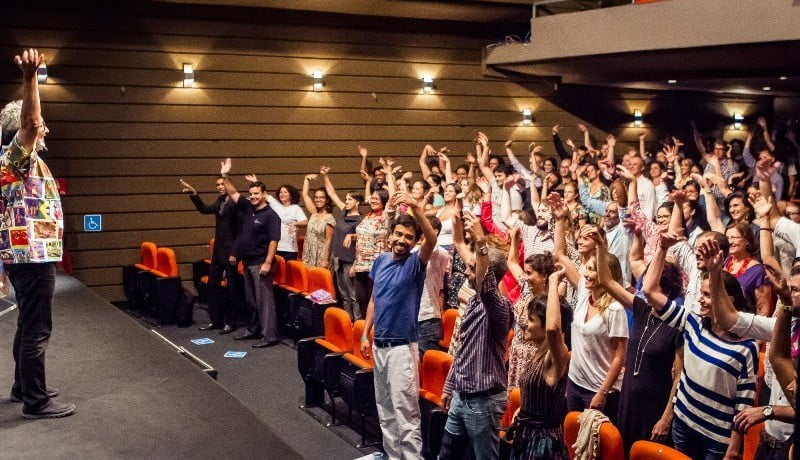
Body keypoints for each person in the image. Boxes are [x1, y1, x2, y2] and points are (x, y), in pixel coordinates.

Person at [1, 48, 74, 419]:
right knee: (37, 329)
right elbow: (30, 123)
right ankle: (36, 401)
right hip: (32, 256)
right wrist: (31, 77)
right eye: (40, 125)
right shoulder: (17, 156)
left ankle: (22, 387)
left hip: (26, 256)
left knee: (28, 324)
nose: (45, 128)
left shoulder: (19, 162)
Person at [643, 233, 757, 460]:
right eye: (701, 294)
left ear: (729, 300)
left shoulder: (746, 347)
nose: (701, 300)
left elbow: (743, 405)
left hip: (716, 439)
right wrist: (663, 248)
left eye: (707, 294)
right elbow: (649, 291)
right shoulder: (693, 322)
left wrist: (733, 451)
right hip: (683, 424)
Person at [360, 191, 437, 460]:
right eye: (399, 235)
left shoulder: (416, 263)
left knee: (406, 414)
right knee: (386, 411)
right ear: (391, 234)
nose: (402, 240)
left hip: (402, 349)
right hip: (379, 346)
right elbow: (373, 299)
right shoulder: (380, 261)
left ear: (414, 242)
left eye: (409, 237)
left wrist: (416, 208)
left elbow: (433, 239)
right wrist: (364, 333)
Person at [439, 211, 514, 460]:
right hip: (462, 394)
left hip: (484, 402)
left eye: (473, 268)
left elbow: (486, 285)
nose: (468, 272)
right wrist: (450, 386)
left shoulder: (500, 309)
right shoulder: (473, 302)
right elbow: (463, 349)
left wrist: (482, 242)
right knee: (447, 453)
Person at [507, 267, 571, 460]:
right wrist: (523, 409)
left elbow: (553, 328)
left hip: (543, 444)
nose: (523, 322)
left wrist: (552, 282)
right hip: (526, 435)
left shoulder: (558, 357)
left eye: (531, 319)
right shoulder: (537, 352)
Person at [222, 159, 282, 348]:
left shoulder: (271, 216)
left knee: (264, 302)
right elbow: (232, 193)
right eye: (251, 194)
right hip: (248, 262)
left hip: (260, 263)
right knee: (251, 300)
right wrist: (225, 176)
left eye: (257, 194)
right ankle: (254, 329)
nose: (253, 196)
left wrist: (267, 262)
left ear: (265, 195)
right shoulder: (249, 208)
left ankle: (270, 336)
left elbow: (274, 240)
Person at [180, 176, 239, 334]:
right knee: (212, 286)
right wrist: (194, 194)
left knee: (232, 289)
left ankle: (231, 322)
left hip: (231, 252)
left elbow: (240, 231)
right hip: (218, 252)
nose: (220, 187)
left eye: (222, 184)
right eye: (217, 185)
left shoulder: (235, 204)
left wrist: (235, 252)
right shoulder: (220, 202)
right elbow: (203, 209)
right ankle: (216, 320)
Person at [319, 166, 362, 320]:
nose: (346, 201)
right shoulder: (344, 212)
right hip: (338, 259)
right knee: (342, 294)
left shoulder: (360, 220)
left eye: (350, 199)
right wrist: (325, 175)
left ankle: (357, 323)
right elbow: (332, 193)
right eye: (347, 199)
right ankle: (347, 321)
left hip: (350, 261)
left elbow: (363, 238)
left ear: (357, 202)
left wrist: (356, 263)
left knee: (353, 295)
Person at [416, 216, 450, 357]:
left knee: (428, 367)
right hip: (411, 317)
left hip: (427, 318)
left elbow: (432, 247)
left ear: (434, 231)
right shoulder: (414, 250)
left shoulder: (440, 253)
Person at [299, 174, 335, 268]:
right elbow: (305, 195)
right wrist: (306, 179)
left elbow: (328, 240)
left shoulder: (329, 218)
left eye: (322, 197)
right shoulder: (314, 213)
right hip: (308, 254)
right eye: (316, 197)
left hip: (321, 256)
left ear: (327, 200)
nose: (318, 200)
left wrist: (325, 259)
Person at [267, 183, 307, 261]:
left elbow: (305, 222)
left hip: (289, 249)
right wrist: (255, 181)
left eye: (285, 192)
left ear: (291, 195)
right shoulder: (275, 205)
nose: (282, 194)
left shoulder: (296, 208)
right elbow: (263, 194)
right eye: (281, 192)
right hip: (275, 247)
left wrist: (295, 223)